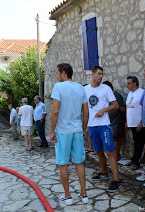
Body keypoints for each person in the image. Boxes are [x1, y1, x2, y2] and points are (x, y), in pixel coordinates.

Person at [50, 63, 89, 205]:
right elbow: (86, 112)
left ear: (63, 73)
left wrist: (51, 131)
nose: (56, 76)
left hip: (63, 131)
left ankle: (68, 197)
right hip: (77, 130)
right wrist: (83, 129)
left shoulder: (58, 87)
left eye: (56, 73)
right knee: (79, 162)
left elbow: (55, 111)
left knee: (63, 164)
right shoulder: (81, 88)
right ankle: (84, 195)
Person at [84, 66, 120, 192]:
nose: (101, 76)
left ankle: (116, 180)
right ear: (92, 74)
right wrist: (84, 127)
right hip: (92, 126)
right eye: (99, 74)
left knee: (109, 152)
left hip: (104, 125)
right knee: (98, 152)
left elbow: (116, 105)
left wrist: (103, 110)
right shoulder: (85, 90)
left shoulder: (106, 88)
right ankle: (104, 173)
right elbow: (85, 110)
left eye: (102, 74)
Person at [102, 81, 126, 161]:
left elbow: (122, 109)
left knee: (116, 138)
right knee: (112, 138)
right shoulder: (108, 96)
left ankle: (116, 155)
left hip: (117, 121)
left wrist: (125, 119)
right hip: (110, 121)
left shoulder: (117, 95)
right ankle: (114, 154)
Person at [125, 76, 144, 170]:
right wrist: (127, 121)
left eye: (129, 83)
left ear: (135, 84)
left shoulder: (141, 93)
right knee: (135, 142)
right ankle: (134, 159)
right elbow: (129, 108)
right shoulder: (130, 94)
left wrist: (141, 122)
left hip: (139, 124)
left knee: (139, 143)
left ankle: (137, 162)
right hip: (132, 123)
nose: (127, 85)